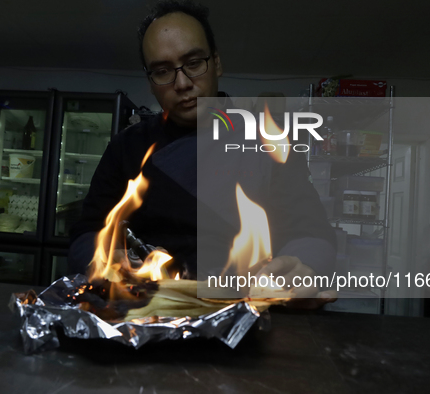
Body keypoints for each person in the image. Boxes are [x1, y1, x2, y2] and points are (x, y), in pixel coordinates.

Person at [69, 0, 337, 305]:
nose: (182, 83)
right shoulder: (126, 148)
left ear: (217, 63)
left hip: (249, 316)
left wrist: (303, 267)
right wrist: (101, 259)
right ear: (151, 83)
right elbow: (85, 232)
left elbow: (313, 233)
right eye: (162, 71)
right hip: (149, 317)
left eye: (194, 63)